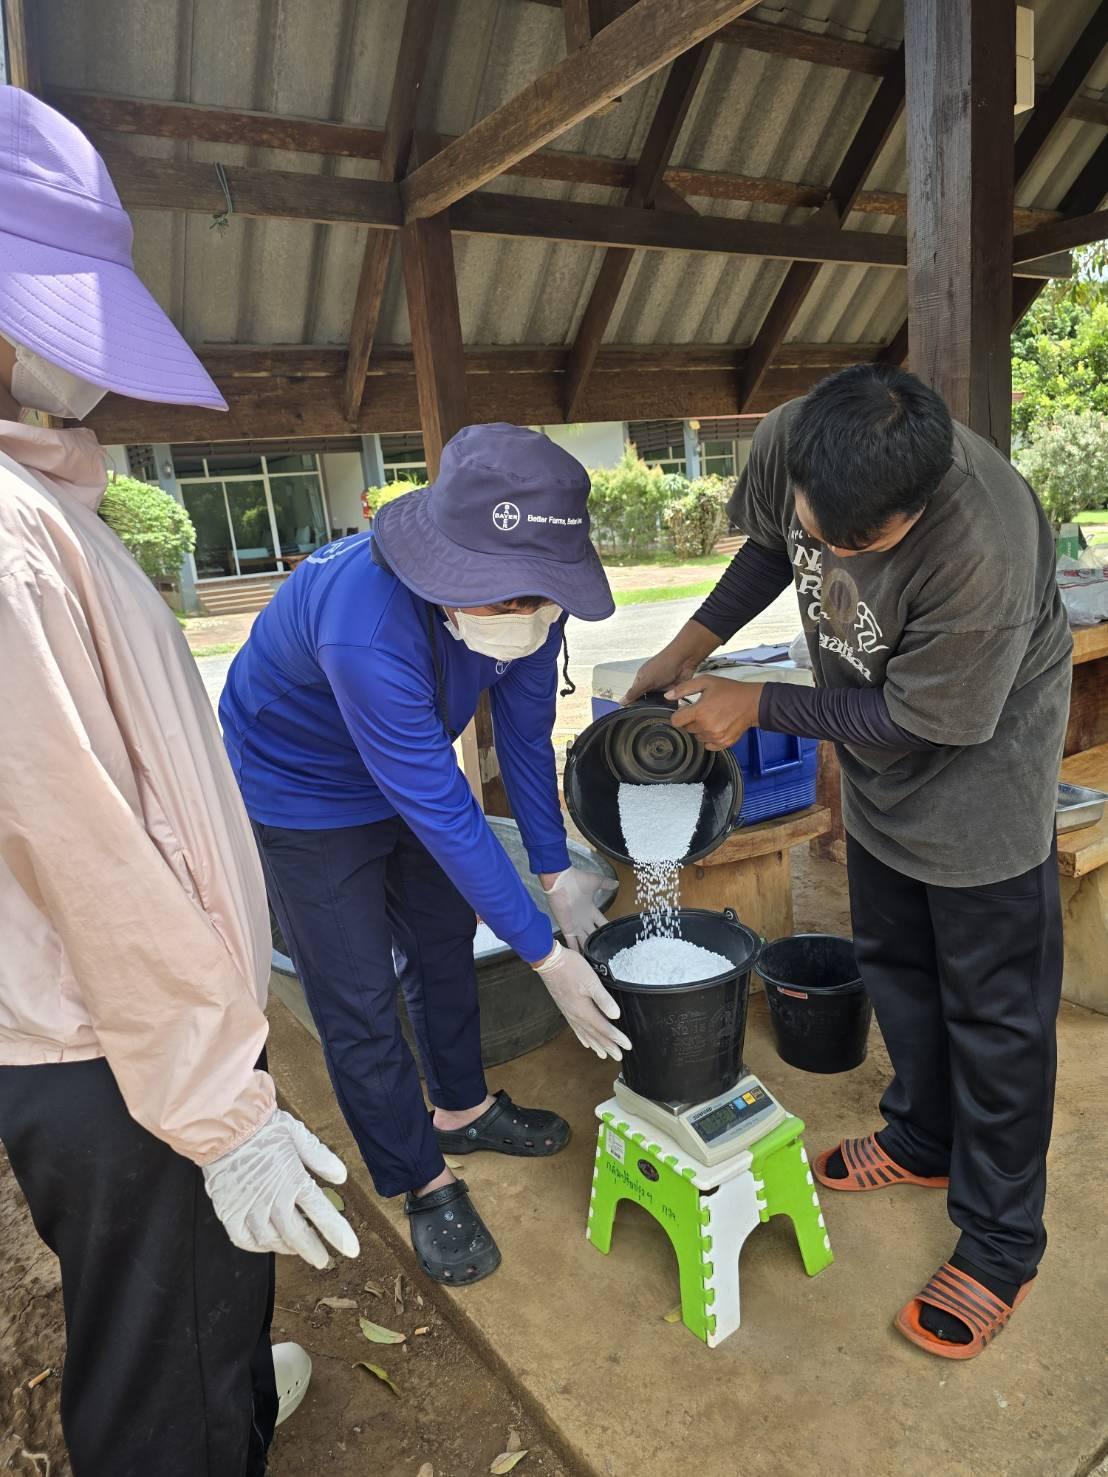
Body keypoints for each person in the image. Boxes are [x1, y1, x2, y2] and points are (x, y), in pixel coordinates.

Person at [0, 87, 360, 1477]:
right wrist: (218, 1103)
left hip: (131, 1032)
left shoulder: (44, 507)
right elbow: (77, 845)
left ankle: (218, 1384)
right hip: (120, 1054)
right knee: (163, 1371)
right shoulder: (16, 546)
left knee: (172, 1313)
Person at [626, 363, 1070, 1361]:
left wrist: (763, 701)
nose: (826, 550)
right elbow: (768, 548)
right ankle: (919, 1136)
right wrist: (689, 643)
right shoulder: (806, 439)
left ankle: (1002, 1239)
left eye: (856, 544)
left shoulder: (981, 542)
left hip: (978, 785)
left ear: (917, 505)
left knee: (994, 1021)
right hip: (877, 785)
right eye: (816, 526)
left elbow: (929, 718)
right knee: (898, 972)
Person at [220, 421, 630, 1286]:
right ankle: (421, 1178)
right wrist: (547, 956)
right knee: (356, 992)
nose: (528, 616)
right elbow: (446, 812)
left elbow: (522, 745)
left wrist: (553, 874)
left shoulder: (533, 608)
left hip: (404, 773)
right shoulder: (364, 625)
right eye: (508, 599)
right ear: (447, 570)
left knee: (442, 938)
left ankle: (462, 1106)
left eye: (539, 599)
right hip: (300, 790)